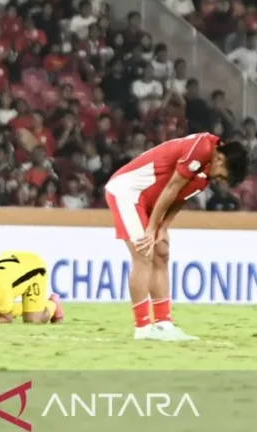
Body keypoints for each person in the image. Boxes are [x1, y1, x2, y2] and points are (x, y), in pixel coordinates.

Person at [105, 132, 248, 340]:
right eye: (223, 175)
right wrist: (152, 228)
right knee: (143, 254)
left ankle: (164, 324)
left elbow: (181, 196)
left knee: (161, 253)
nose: (220, 180)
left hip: (149, 200)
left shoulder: (207, 169)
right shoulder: (200, 149)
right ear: (220, 158)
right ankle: (142, 328)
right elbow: (172, 187)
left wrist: (162, 227)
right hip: (128, 192)